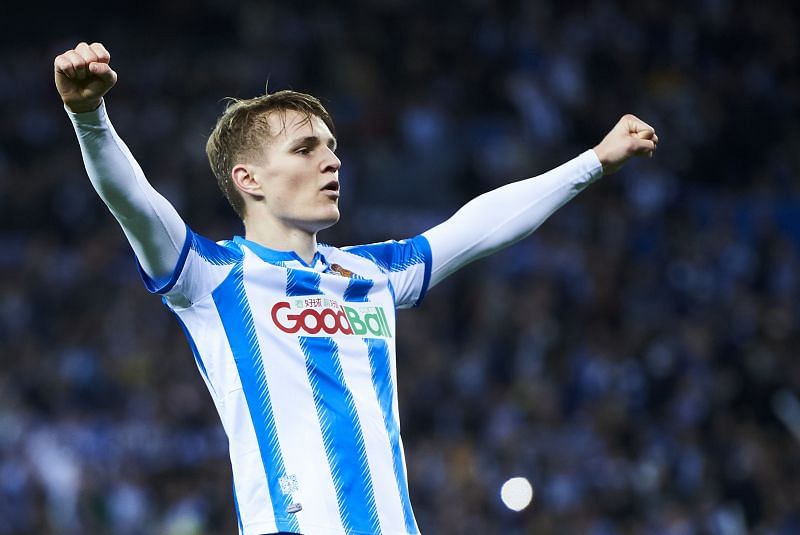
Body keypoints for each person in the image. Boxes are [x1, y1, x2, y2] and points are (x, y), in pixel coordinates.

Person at [54, 41, 658, 535]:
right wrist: (90, 116)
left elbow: (477, 227)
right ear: (249, 179)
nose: (332, 161)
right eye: (306, 148)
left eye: (333, 148)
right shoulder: (210, 278)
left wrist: (593, 161)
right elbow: (132, 200)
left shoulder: (371, 276)